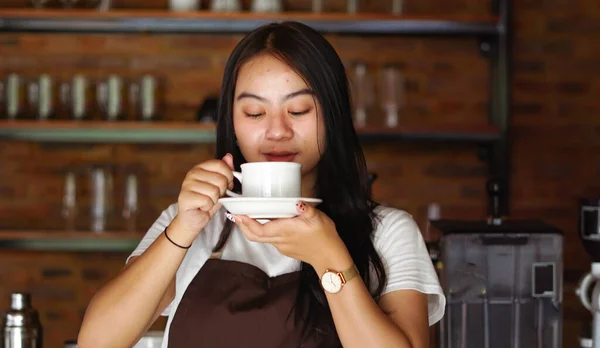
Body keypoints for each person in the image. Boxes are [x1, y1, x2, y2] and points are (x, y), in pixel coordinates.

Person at [78, 21, 445, 348]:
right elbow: (98, 341)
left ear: (332, 117)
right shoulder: (193, 222)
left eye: (298, 110)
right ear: (233, 123)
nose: (276, 131)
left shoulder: (388, 232)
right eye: (254, 113)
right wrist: (182, 229)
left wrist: (328, 256)